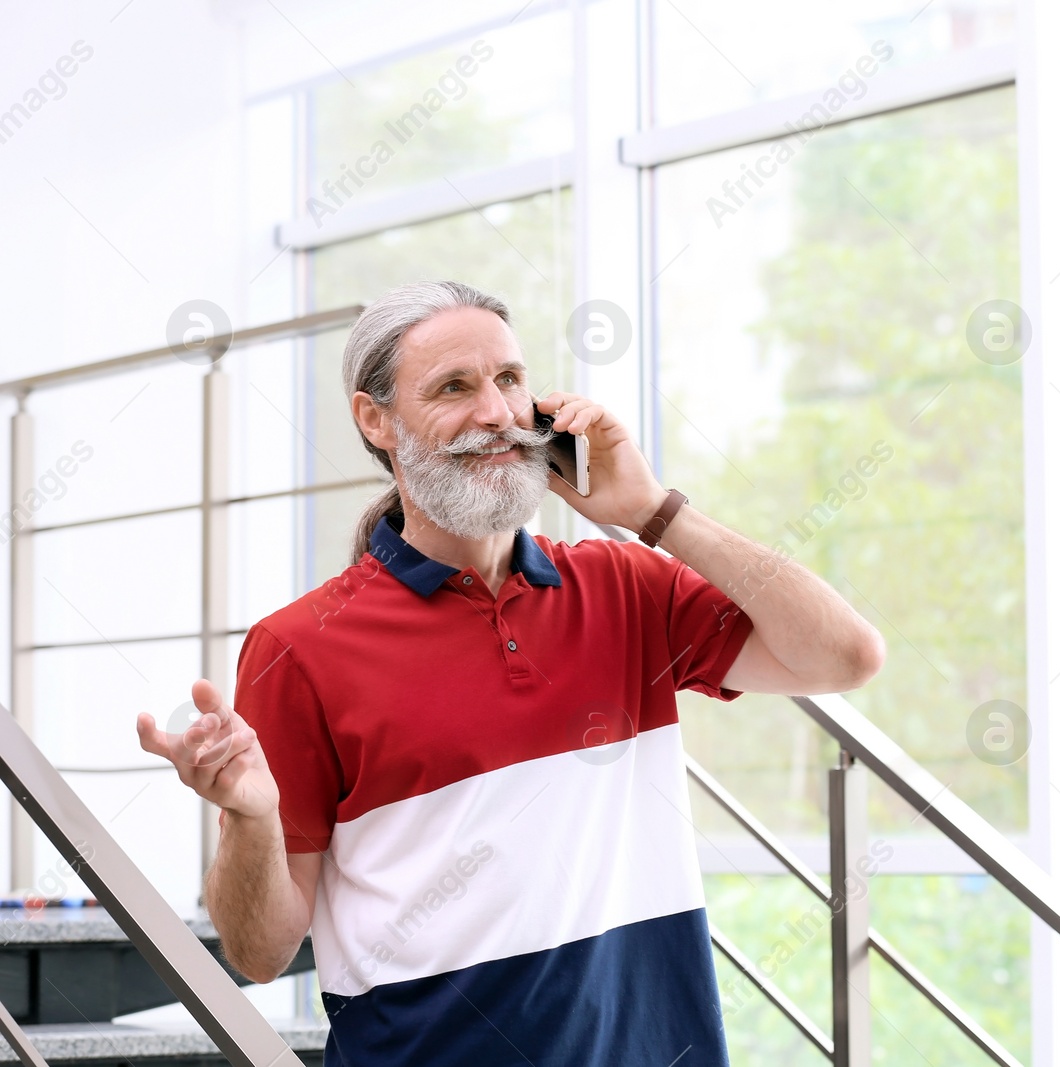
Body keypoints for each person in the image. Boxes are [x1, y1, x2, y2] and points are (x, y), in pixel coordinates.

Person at [134, 280, 886, 1066]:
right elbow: (259, 952)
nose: (496, 412)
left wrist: (653, 510)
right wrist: (252, 820)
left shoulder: (627, 587)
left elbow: (846, 655)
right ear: (376, 419)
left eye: (511, 379)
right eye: (454, 387)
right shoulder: (298, 647)